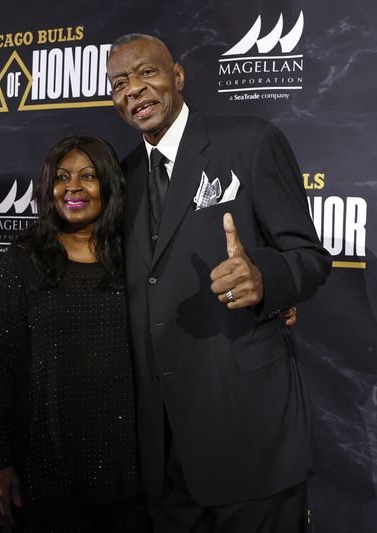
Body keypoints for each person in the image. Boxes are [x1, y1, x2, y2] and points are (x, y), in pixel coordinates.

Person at [105, 34, 332, 532]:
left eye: (147, 73)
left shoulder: (250, 141)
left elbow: (309, 258)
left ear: (178, 76)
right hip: (164, 449)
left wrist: (265, 280)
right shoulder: (121, 180)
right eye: (119, 83)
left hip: (250, 431)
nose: (134, 91)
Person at [0, 135, 152, 532]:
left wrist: (272, 302)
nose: (72, 187)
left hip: (130, 470)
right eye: (62, 177)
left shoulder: (137, 258)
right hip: (48, 466)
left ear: (109, 184)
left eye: (88, 176)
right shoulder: (25, 257)